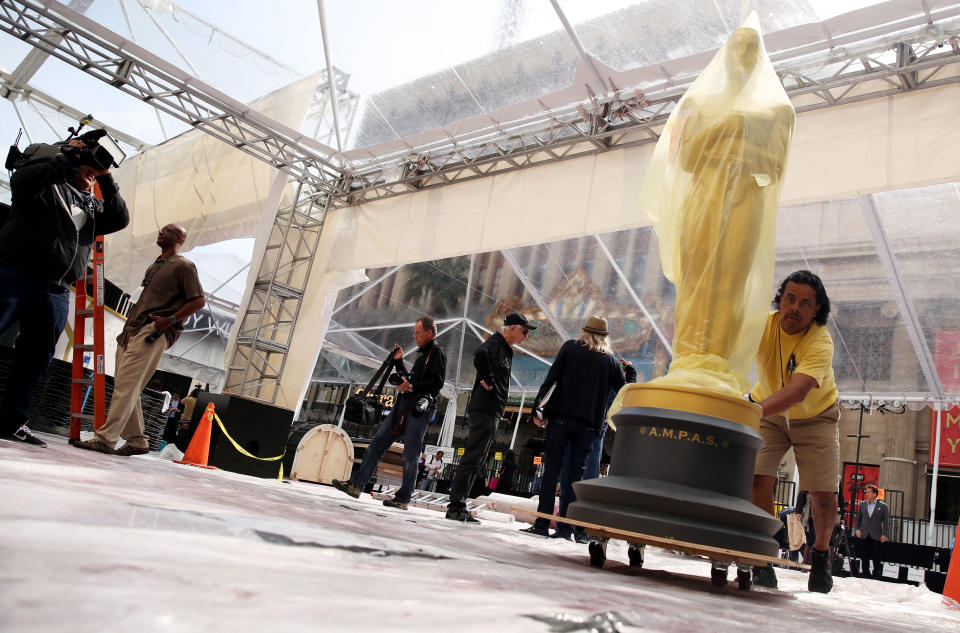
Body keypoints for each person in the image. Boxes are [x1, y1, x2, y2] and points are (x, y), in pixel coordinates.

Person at [0, 131, 129, 447]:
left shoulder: (91, 205)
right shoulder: (44, 188)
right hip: (16, 274)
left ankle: (10, 421)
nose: (90, 179)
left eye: (93, 176)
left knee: (35, 358)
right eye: (86, 174)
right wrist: (71, 158)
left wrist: (106, 177)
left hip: (56, 290)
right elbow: (23, 182)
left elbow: (121, 217)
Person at [74, 224, 204, 456]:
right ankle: (137, 440)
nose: (160, 232)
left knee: (125, 388)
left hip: (152, 332)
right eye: (160, 230)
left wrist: (169, 320)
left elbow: (198, 301)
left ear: (180, 238)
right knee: (127, 388)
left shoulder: (184, 265)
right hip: (132, 330)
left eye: (167, 231)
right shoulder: (156, 264)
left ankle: (105, 439)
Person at [749, 270, 839, 593]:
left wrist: (752, 410)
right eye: (789, 298)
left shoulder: (820, 340)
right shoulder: (763, 324)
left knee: (823, 496)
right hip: (769, 409)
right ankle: (762, 558)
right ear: (780, 299)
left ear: (816, 310)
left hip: (815, 415)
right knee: (758, 477)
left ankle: (821, 554)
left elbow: (799, 391)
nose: (794, 308)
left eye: (805, 303)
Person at [520, 317, 636, 539]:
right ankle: (565, 529)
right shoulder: (610, 361)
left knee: (551, 470)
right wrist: (630, 373)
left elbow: (551, 378)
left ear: (585, 332)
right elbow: (623, 391)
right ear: (605, 336)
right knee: (575, 478)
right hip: (588, 428)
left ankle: (542, 523)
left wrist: (538, 410)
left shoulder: (570, 348)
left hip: (561, 419)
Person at [333, 317, 446, 510]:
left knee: (410, 454)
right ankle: (355, 485)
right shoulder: (423, 357)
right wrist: (399, 361)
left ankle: (403, 498)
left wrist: (412, 385)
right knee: (378, 443)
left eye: (418, 332)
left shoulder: (437, 353)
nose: (415, 336)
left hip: (417, 410)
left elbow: (437, 384)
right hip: (404, 406)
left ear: (429, 333)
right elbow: (411, 381)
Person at [446, 313, 536, 523]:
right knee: (472, 457)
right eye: (524, 332)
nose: (525, 337)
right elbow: (480, 352)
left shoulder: (505, 349)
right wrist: (487, 377)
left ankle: (459, 505)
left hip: (491, 410)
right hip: (484, 409)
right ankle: (455, 505)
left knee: (477, 459)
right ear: (512, 328)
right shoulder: (495, 343)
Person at [854, 484, 890, 578]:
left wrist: (885, 534)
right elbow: (858, 519)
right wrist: (857, 530)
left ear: (875, 494)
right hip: (864, 533)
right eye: (866, 492)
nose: (867, 494)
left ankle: (876, 573)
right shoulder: (862, 505)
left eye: (869, 492)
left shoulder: (883, 506)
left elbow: (886, 522)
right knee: (864, 555)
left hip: (876, 534)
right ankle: (866, 573)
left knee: (876, 555)